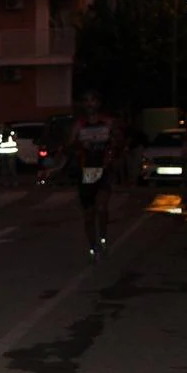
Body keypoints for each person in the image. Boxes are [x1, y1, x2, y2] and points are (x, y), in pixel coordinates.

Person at [68, 90, 116, 262]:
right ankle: (93, 246)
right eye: (86, 100)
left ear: (98, 103)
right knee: (89, 214)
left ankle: (102, 238)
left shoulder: (108, 122)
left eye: (93, 100)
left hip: (103, 171)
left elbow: (119, 143)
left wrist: (111, 151)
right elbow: (69, 147)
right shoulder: (79, 125)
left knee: (101, 208)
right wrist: (79, 144)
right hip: (86, 172)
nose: (90, 104)